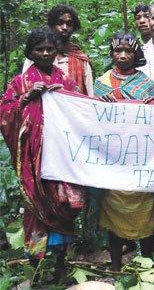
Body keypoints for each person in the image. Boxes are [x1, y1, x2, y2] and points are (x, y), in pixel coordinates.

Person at [1, 27, 85, 280]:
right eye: (40, 49)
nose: (46, 53)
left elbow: (81, 113)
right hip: (33, 158)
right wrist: (27, 98)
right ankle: (36, 266)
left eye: (50, 49)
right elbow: (5, 112)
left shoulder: (66, 81)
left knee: (62, 204)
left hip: (61, 156)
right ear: (30, 52)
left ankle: (61, 263)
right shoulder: (20, 83)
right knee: (36, 208)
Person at [94, 33, 154, 270]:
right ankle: (115, 264)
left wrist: (150, 107)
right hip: (113, 157)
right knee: (114, 209)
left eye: (129, 51)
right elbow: (92, 120)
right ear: (111, 54)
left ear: (137, 55)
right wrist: (98, 103)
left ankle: (148, 260)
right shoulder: (101, 83)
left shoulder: (146, 84)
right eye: (118, 51)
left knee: (145, 209)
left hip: (141, 156)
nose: (123, 55)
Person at [23, 4, 94, 96]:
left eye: (69, 24)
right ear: (52, 25)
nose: (64, 27)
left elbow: (89, 94)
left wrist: (66, 91)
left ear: (74, 28)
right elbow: (23, 87)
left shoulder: (81, 60)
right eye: (60, 23)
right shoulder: (35, 56)